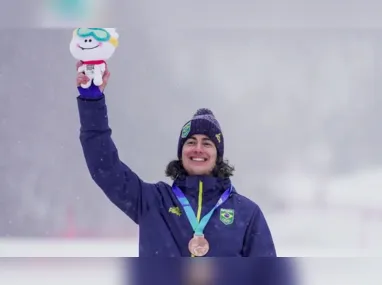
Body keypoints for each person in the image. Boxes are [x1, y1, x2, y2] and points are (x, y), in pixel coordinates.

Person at [75, 61, 276, 257]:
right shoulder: (153, 201)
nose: (198, 149)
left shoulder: (247, 214)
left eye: (207, 143)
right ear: (181, 153)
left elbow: (268, 276)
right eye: (190, 142)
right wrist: (92, 101)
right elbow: (105, 168)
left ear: (218, 155)